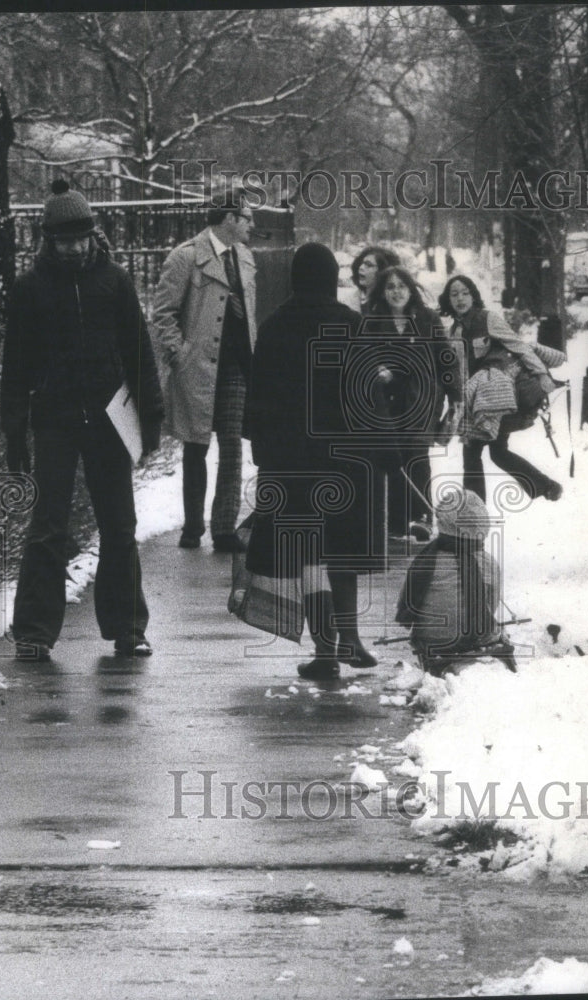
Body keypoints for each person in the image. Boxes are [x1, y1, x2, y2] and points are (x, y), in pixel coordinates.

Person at [1, 180, 164, 661]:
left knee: (119, 524)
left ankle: (128, 627)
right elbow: (16, 365)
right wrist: (15, 433)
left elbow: (139, 351)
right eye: (64, 240)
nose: (74, 247)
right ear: (48, 240)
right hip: (55, 418)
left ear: (94, 236)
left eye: (82, 238)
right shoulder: (30, 289)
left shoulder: (114, 279)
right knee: (48, 524)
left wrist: (149, 416)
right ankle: (33, 631)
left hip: (111, 416)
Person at [245, 243, 380, 681]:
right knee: (341, 551)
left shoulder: (273, 326)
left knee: (308, 556)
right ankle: (351, 637)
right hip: (344, 457)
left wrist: (261, 451)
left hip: (289, 459)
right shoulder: (352, 324)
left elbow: (258, 397)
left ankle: (325, 652)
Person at [154, 187, 256, 552]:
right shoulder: (187, 257)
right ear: (228, 219)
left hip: (234, 367)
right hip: (196, 366)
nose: (251, 224)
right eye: (246, 218)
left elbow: (249, 315)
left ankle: (224, 528)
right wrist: (179, 352)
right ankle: (192, 527)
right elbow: (163, 312)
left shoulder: (245, 257)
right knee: (195, 446)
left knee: (231, 446)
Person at [439, 274, 564, 504]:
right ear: (448, 300)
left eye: (465, 293)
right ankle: (546, 486)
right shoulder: (453, 332)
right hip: (473, 401)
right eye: (454, 294)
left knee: (474, 455)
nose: (460, 299)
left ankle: (474, 515)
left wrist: (542, 374)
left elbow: (520, 347)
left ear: (474, 296)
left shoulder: (489, 319)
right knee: (496, 453)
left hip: (495, 398)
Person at [365, 266, 460, 540]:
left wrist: (456, 397)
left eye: (401, 286)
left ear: (411, 289)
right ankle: (396, 520)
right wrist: (376, 372)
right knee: (395, 456)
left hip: (423, 397)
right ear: (383, 292)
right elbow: (363, 358)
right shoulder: (373, 322)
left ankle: (421, 517)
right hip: (387, 400)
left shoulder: (427, 319)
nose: (396, 292)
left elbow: (446, 359)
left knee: (417, 454)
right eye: (390, 287)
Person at [396, 489, 514, 675]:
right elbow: (491, 605)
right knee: (496, 631)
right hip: (476, 636)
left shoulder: (425, 561)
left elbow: (408, 601)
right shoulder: (488, 562)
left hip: (433, 639)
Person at [349, 245, 400, 314]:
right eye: (361, 263)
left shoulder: (392, 305)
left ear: (383, 270)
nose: (361, 267)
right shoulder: (351, 300)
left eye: (369, 265)